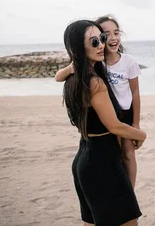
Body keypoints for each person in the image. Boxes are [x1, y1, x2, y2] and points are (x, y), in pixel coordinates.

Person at [62, 19, 146, 225]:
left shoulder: (74, 79)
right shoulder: (95, 82)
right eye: (94, 42)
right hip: (102, 163)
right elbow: (114, 126)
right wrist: (141, 134)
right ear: (78, 48)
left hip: (85, 157)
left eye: (101, 39)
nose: (101, 45)